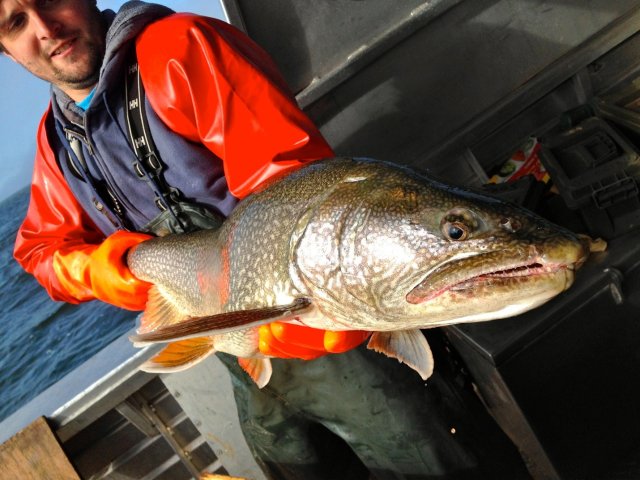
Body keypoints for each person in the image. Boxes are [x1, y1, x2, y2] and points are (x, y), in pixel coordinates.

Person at [5, 1, 529, 478]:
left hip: (334, 333)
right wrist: (122, 267)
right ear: (5, 50)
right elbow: (38, 251)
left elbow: (296, 189)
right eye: (15, 24)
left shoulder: (180, 48)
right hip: (246, 365)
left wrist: (309, 311)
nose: (46, 28)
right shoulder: (56, 142)